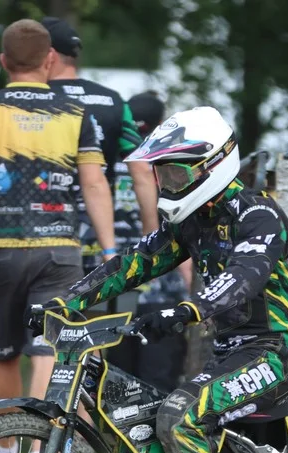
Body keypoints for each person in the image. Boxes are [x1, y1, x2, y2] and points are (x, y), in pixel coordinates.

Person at [55, 106, 288, 453]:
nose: (167, 183)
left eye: (176, 171)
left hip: (274, 352)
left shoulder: (259, 214)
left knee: (180, 414)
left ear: (213, 164)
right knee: (144, 418)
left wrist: (185, 311)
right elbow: (135, 262)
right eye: (162, 173)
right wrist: (67, 299)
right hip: (229, 352)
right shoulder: (192, 222)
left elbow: (243, 278)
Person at [0, 19, 116, 453]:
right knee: (48, 349)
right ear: (49, 60)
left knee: (1, 352)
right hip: (60, 248)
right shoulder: (76, 114)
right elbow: (94, 183)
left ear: (3, 62)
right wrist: (111, 248)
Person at [39, 16, 160, 275]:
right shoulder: (113, 100)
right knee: (97, 315)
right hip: (100, 243)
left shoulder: (34, 99)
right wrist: (151, 235)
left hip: (41, 239)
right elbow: (142, 172)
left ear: (49, 54)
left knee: (39, 314)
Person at [103, 91, 194, 392]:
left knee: (118, 381)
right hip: (161, 289)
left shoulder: (104, 163)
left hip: (119, 286)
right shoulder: (166, 164)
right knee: (160, 381)